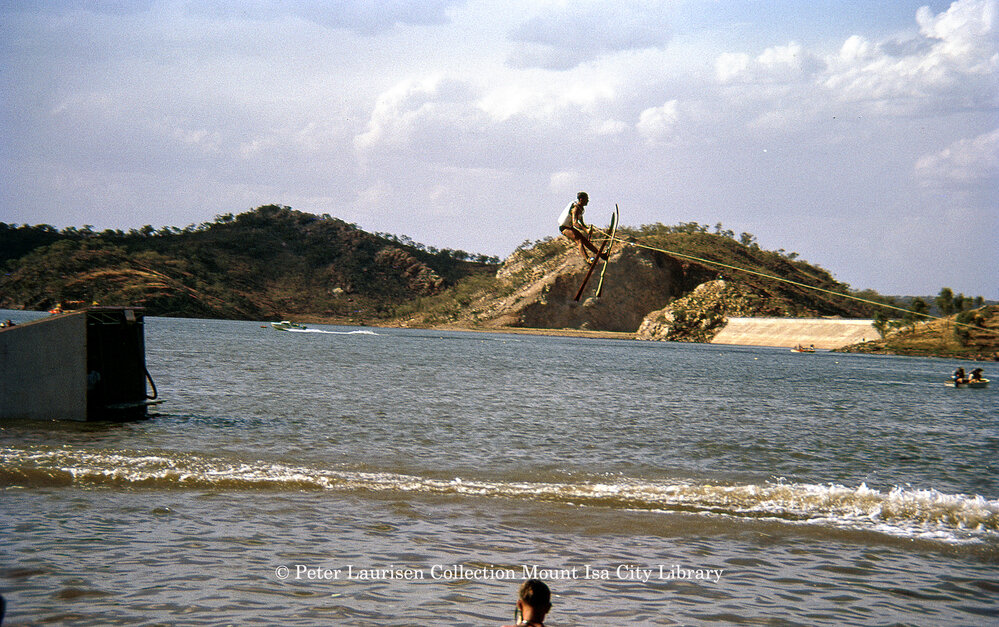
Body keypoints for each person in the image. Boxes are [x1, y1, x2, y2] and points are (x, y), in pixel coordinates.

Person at [559, 191, 606, 262]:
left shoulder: (581, 209)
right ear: (581, 199)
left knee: (585, 241)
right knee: (579, 240)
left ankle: (601, 255)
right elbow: (575, 223)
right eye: (586, 199)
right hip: (564, 228)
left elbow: (581, 222)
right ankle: (588, 259)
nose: (588, 201)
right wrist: (586, 230)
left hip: (570, 227)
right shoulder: (575, 209)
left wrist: (587, 228)